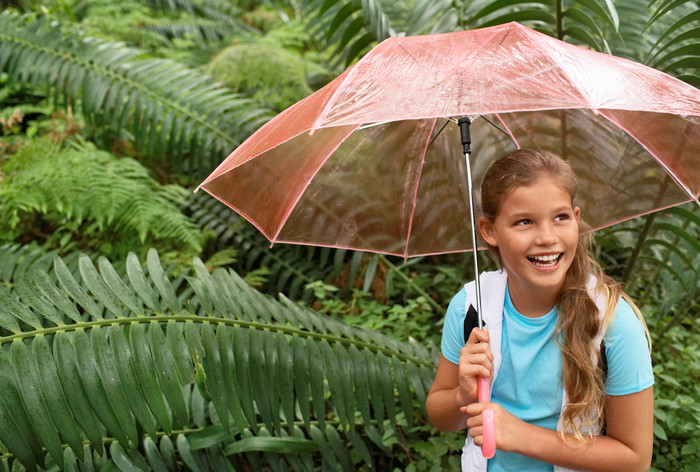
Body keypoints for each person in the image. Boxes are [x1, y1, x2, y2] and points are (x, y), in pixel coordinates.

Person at [426, 149, 654, 471]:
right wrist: (463, 394)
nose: (547, 238)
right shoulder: (471, 308)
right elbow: (442, 418)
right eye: (524, 222)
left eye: (560, 217)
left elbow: (635, 459)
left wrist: (521, 436)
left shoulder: (614, 322)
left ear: (577, 218)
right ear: (490, 231)